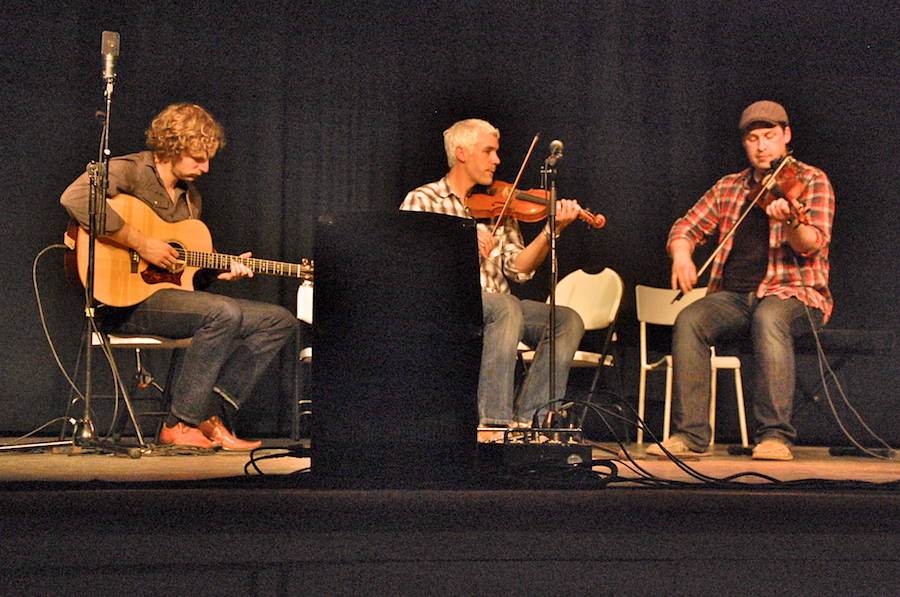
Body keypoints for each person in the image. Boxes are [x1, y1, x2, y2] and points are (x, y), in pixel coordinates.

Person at [61, 103, 299, 450]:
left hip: (163, 300)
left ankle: (208, 411)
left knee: (278, 320)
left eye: (207, 159)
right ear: (171, 147)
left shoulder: (191, 201)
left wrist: (216, 275)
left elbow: (180, 278)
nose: (205, 167)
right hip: (118, 303)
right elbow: (76, 196)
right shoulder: (132, 170)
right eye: (197, 158)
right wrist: (141, 243)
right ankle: (178, 424)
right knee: (223, 313)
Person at [646, 100, 835, 461]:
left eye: (770, 136)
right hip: (734, 296)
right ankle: (691, 434)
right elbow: (685, 226)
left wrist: (791, 222)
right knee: (690, 319)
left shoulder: (811, 181)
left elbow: (812, 245)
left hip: (795, 294)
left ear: (786, 136)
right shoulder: (729, 187)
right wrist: (682, 255)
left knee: (770, 316)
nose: (762, 146)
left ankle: (775, 436)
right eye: (753, 138)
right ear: (744, 143)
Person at [400, 118, 586, 438]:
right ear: (461, 153)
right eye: (488, 152)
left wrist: (549, 232)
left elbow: (520, 268)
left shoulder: (499, 205)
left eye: (496, 152)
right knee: (505, 305)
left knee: (567, 319)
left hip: (499, 306)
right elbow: (407, 268)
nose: (497, 161)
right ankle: (492, 423)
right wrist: (460, 245)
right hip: (447, 306)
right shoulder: (422, 200)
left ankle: (530, 419)